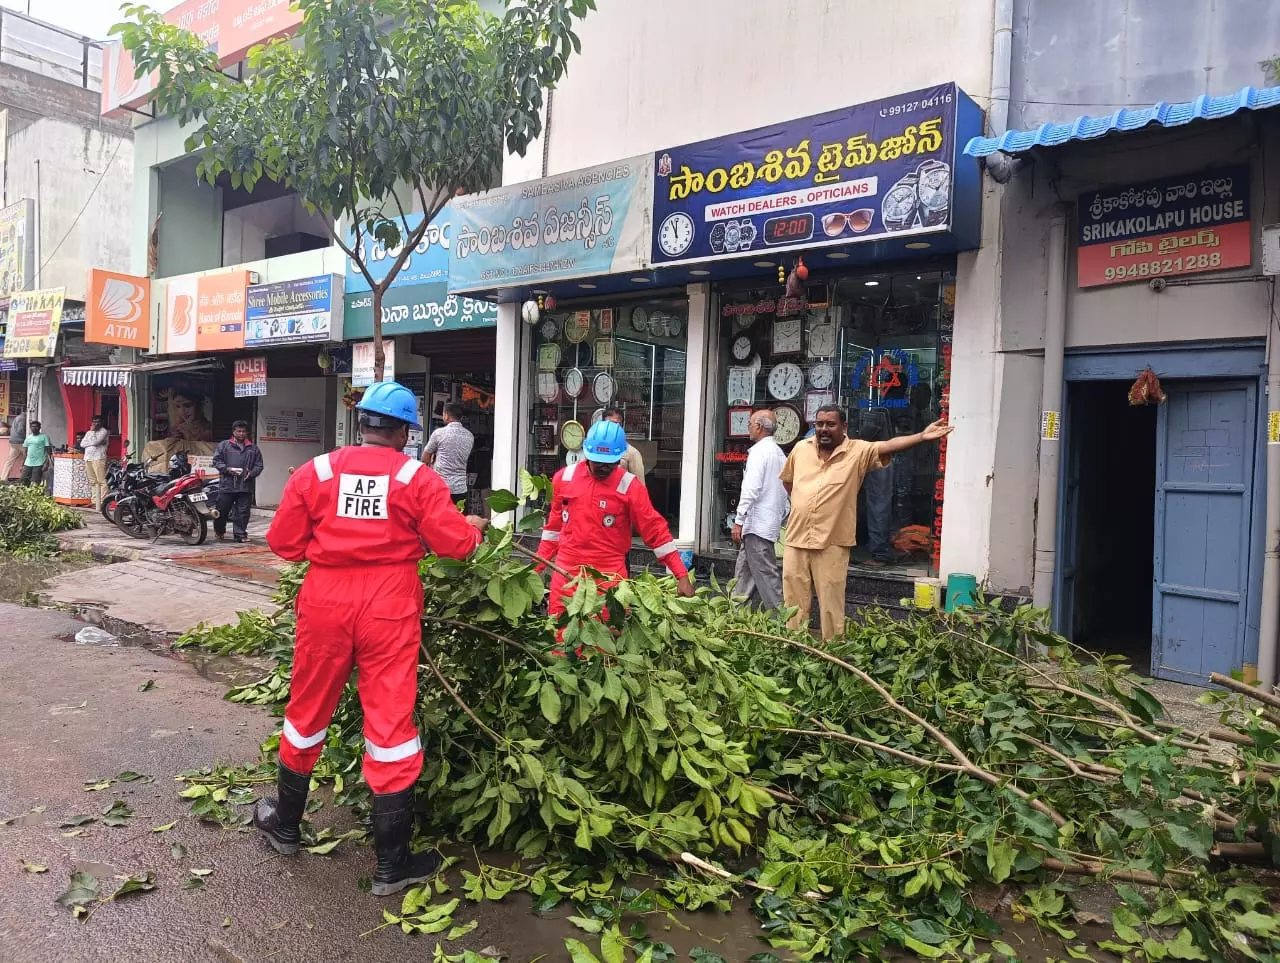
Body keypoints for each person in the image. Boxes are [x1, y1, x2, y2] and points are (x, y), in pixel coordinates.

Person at [257, 381, 488, 896]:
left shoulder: (315, 472)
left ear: (361, 423)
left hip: (325, 602)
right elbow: (454, 547)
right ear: (405, 431)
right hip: (389, 604)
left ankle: (287, 826)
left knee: (307, 711)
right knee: (390, 723)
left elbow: (283, 544)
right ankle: (392, 863)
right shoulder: (417, 478)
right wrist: (472, 528)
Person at [781, 405, 951, 640]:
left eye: (830, 424)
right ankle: (793, 648)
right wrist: (804, 503)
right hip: (796, 539)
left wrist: (922, 436)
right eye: (819, 424)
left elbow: (889, 445)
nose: (824, 429)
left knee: (831, 605)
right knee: (793, 604)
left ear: (844, 427)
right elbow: (788, 482)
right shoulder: (801, 449)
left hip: (832, 542)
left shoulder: (857, 452)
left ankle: (834, 653)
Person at [537, 420, 692, 621]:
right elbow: (552, 531)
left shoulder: (629, 486)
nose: (604, 467)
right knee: (561, 642)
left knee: (606, 644)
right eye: (598, 461)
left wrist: (681, 574)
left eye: (610, 462)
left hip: (609, 581)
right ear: (587, 454)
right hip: (567, 578)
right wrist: (534, 570)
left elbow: (655, 531)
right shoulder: (564, 479)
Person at [731, 410, 788, 610]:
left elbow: (751, 489)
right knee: (743, 577)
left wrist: (739, 519)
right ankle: (735, 620)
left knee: (766, 577)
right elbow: (785, 492)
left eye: (749, 423)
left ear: (759, 427)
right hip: (764, 525)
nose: (748, 427)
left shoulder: (759, 452)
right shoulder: (779, 453)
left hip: (757, 525)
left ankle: (781, 622)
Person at [213, 420, 264, 543]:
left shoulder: (253, 448)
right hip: (227, 485)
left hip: (245, 486)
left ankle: (240, 535)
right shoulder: (224, 445)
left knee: (243, 512)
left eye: (243, 432)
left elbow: (259, 465)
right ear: (233, 432)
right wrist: (227, 469)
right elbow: (217, 461)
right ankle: (219, 531)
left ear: (247, 433)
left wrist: (251, 474)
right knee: (222, 510)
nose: (241, 434)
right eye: (239, 431)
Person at [422, 402, 474, 503]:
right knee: (458, 518)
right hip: (460, 489)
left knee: (438, 518)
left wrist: (433, 461)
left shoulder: (439, 433)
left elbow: (425, 458)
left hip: (440, 487)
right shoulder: (470, 436)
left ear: (446, 415)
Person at [602, 407, 645, 482]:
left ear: (621, 426)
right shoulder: (597, 449)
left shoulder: (632, 453)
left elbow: (640, 486)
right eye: (607, 424)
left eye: (614, 424)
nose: (610, 428)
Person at [79, 415, 111, 510]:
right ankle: (94, 502)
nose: (95, 423)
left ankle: (102, 502)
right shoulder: (89, 432)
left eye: (97, 422)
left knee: (101, 480)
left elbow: (96, 441)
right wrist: (91, 440)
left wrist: (92, 434)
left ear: (102, 422)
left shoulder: (104, 431)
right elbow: (82, 444)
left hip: (98, 458)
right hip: (88, 458)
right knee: (93, 481)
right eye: (94, 422)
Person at [20, 419, 51, 488]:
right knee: (23, 479)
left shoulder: (44, 437)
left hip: (39, 462)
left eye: (36, 426)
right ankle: (26, 494)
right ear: (30, 428)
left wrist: (46, 463)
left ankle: (35, 494)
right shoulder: (28, 438)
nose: (34, 428)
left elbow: (49, 451)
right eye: (33, 426)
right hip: (28, 462)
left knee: (35, 481)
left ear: (40, 428)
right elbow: (25, 452)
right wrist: (22, 465)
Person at [4, 409, 25, 481]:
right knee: (29, 459)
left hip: (13, 442)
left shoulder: (17, 417)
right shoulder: (23, 418)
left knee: (10, 461)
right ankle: (24, 478)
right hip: (21, 442)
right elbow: (20, 430)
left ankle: (3, 478)